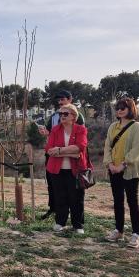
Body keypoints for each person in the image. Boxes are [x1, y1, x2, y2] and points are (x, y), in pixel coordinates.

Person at [102, 98, 139, 248]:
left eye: (123, 107)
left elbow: (138, 148)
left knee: (132, 201)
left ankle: (135, 234)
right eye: (118, 107)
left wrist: (123, 164)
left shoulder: (137, 126)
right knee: (117, 201)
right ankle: (118, 230)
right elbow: (107, 146)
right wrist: (110, 164)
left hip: (129, 170)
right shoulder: (113, 126)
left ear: (130, 109)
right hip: (114, 169)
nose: (120, 110)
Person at [38, 89, 85, 219]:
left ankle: (73, 217)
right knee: (54, 185)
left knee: (73, 191)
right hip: (53, 158)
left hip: (72, 161)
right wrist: (45, 133)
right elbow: (50, 136)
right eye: (58, 100)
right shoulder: (54, 116)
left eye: (62, 100)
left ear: (70, 100)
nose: (60, 102)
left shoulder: (77, 116)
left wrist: (60, 150)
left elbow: (79, 143)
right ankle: (54, 209)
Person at [44, 104, 88, 234]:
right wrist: (69, 152)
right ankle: (60, 222)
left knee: (76, 198)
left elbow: (80, 147)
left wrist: (59, 150)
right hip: (57, 169)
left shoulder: (81, 130)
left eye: (65, 114)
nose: (62, 116)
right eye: (60, 114)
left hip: (75, 169)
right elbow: (49, 149)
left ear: (73, 116)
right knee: (60, 196)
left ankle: (78, 225)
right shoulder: (55, 129)